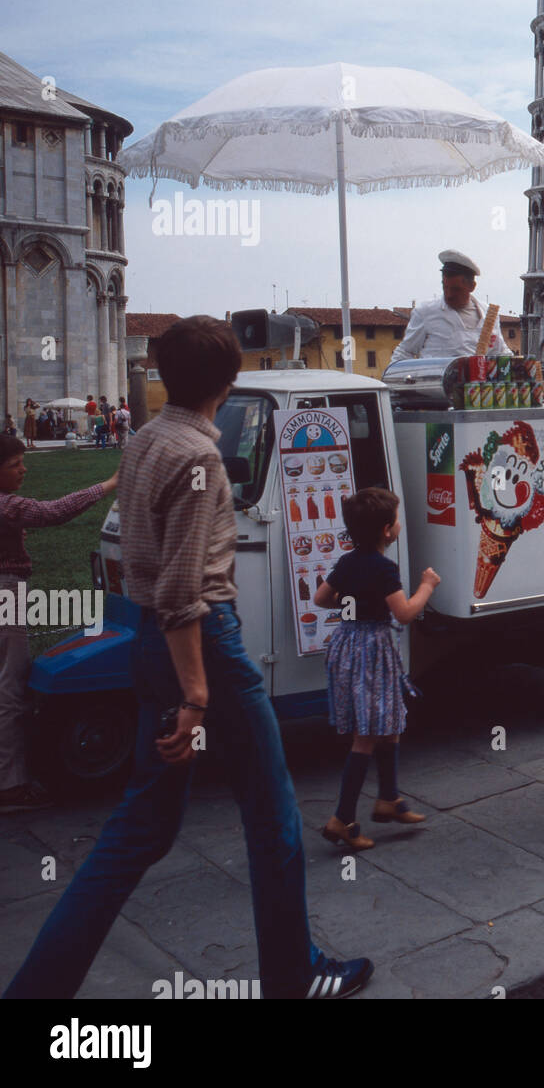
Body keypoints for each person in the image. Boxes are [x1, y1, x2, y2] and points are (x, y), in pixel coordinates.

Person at [4, 316, 374, 1000]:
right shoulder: (202, 459)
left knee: (139, 829)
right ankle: (294, 975)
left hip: (148, 639)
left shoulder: (146, 439)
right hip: (205, 647)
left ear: (160, 372)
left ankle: (37, 986)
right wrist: (198, 695)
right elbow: (184, 590)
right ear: (229, 383)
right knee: (273, 818)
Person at [314, 488, 438, 850]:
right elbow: (404, 613)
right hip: (373, 652)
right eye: (396, 519)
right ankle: (342, 819)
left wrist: (355, 600)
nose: (399, 524)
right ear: (387, 530)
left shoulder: (348, 561)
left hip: (348, 645)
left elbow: (322, 599)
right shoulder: (385, 568)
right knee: (367, 734)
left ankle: (388, 799)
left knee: (390, 721)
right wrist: (427, 587)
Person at [0, 436, 116, 814]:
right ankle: (11, 786)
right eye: (16, 463)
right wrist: (109, 484)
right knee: (11, 688)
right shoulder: (7, 506)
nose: (24, 468)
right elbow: (54, 512)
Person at [391, 251, 508, 363]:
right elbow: (405, 352)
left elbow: (500, 353)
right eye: (445, 288)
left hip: (477, 382)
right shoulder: (425, 312)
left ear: (472, 286)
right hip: (437, 382)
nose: (449, 295)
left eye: (456, 289)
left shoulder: (489, 315)